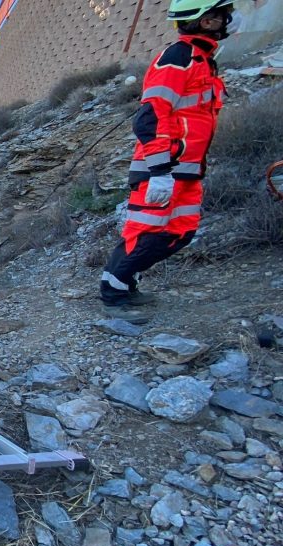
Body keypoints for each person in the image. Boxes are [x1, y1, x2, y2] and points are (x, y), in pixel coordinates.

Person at [99, 0, 240, 324]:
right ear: (205, 21)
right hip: (161, 170)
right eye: (223, 14)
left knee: (181, 232)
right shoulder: (178, 57)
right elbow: (149, 118)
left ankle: (124, 284)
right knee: (145, 235)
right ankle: (114, 295)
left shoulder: (203, 61)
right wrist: (160, 171)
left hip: (187, 171)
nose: (229, 19)